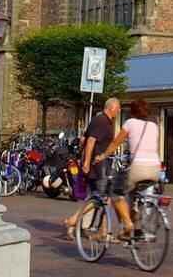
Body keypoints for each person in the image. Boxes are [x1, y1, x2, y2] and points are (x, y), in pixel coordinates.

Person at [64, 98, 125, 240]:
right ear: (111, 107)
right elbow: (90, 140)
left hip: (100, 166)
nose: (119, 110)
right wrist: (86, 162)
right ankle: (73, 221)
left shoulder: (101, 120)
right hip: (99, 168)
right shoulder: (102, 121)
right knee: (102, 199)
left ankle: (99, 231)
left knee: (101, 199)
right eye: (118, 107)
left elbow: (84, 140)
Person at [117, 99, 163, 240]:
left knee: (117, 193)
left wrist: (103, 155)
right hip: (155, 169)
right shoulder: (155, 126)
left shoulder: (129, 123)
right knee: (138, 194)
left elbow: (116, 142)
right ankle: (139, 226)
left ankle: (129, 224)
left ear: (133, 111)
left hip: (138, 167)